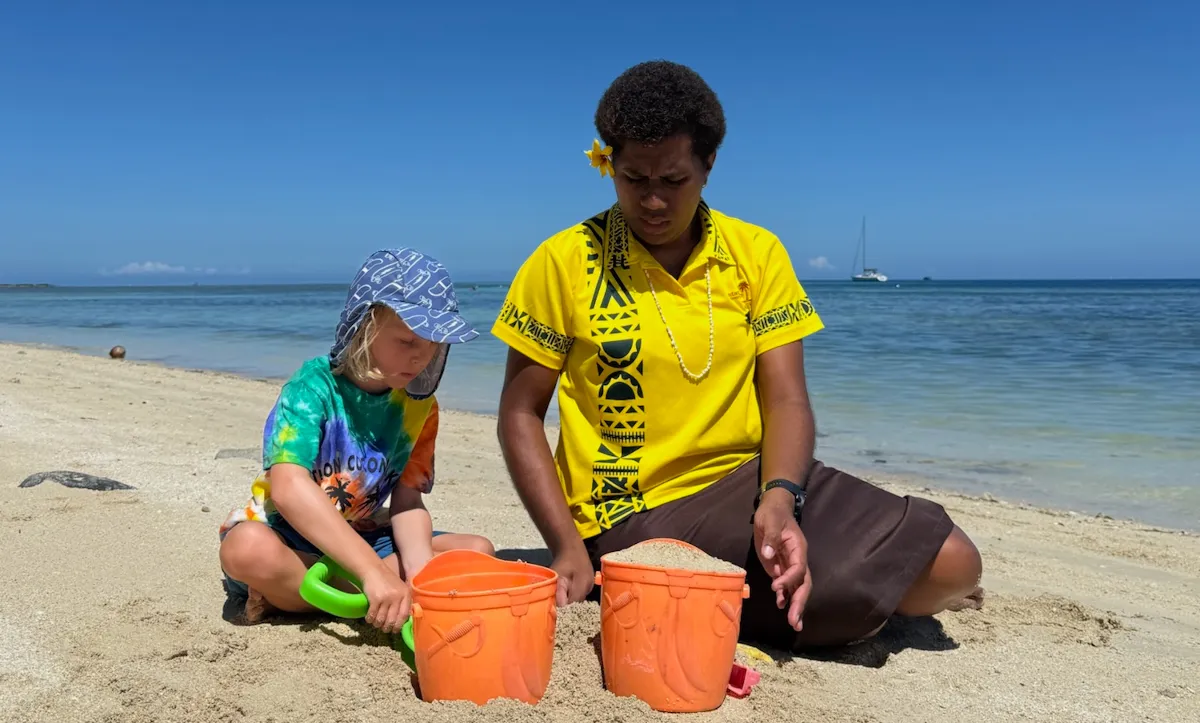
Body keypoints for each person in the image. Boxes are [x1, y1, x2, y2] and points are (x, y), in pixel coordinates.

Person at [492, 60, 982, 649]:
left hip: (751, 479)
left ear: (708, 166)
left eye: (672, 180)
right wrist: (566, 545)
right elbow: (520, 415)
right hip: (632, 513)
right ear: (609, 165)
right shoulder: (563, 262)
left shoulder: (756, 253)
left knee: (957, 563)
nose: (651, 200)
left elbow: (786, 399)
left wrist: (780, 497)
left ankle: (829, 583)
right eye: (631, 178)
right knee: (831, 592)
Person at [219, 248, 495, 632]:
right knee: (245, 548)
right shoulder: (312, 388)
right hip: (287, 534)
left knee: (476, 552)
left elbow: (408, 501)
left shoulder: (419, 407)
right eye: (407, 340)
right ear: (363, 326)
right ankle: (368, 589)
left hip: (360, 532)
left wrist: (417, 573)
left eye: (433, 344)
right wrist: (372, 571)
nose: (421, 357)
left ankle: (329, 595)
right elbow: (287, 486)